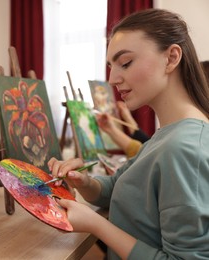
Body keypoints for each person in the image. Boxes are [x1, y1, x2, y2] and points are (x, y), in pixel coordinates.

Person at [49, 9, 209, 259]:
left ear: (171, 57)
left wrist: (96, 224)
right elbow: (116, 187)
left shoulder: (183, 147)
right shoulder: (167, 134)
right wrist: (84, 181)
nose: (112, 79)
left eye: (125, 63)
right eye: (111, 66)